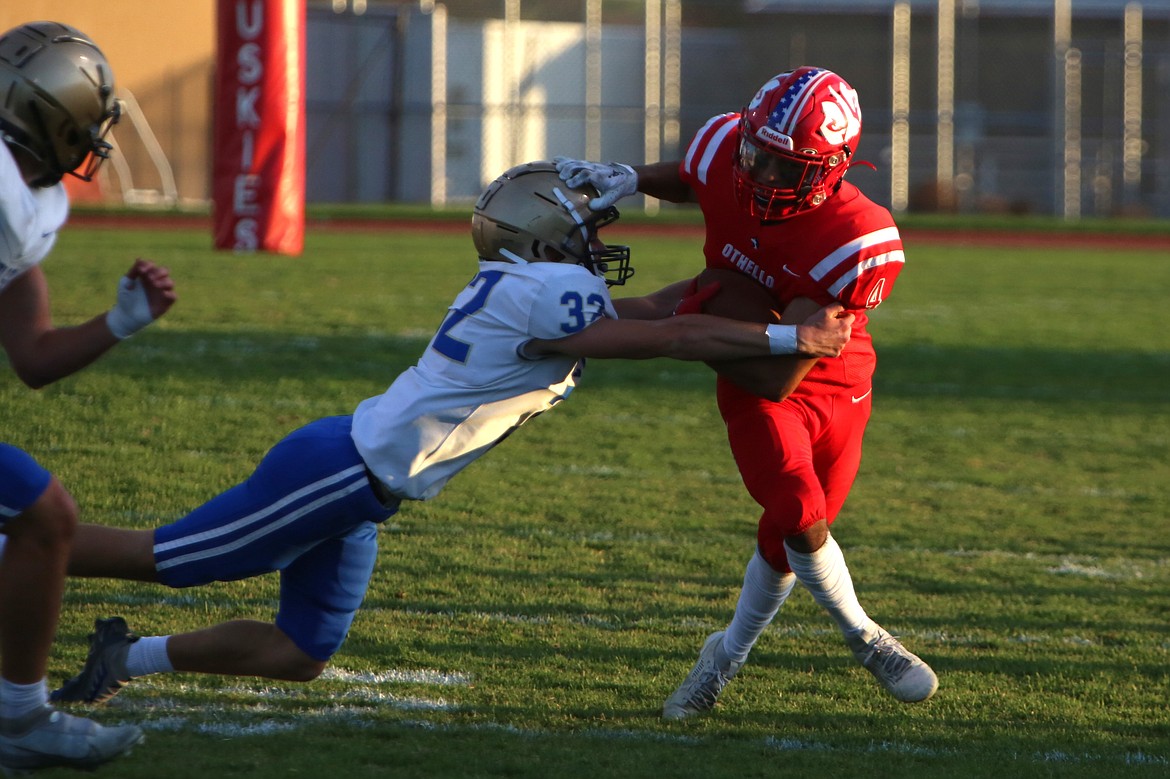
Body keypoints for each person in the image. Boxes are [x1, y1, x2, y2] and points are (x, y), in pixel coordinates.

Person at [48, 161, 852, 704]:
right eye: (585, 229)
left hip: (362, 485)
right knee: (172, 560)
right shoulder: (552, 289)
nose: (597, 242)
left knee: (298, 654)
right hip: (340, 471)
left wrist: (735, 283)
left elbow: (660, 312)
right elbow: (669, 338)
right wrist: (793, 340)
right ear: (544, 239)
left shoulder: (530, 281)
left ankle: (121, 655)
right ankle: (27, 545)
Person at [554, 66, 938, 719]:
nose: (759, 174)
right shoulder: (726, 146)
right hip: (751, 371)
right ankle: (864, 634)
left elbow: (787, 366)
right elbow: (699, 173)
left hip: (831, 375)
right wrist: (636, 177)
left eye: (782, 168)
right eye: (755, 153)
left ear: (829, 170)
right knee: (799, 510)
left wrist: (681, 324)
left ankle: (722, 655)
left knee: (784, 538)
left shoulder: (855, 234)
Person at [0, 20, 177, 772]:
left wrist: (119, 323)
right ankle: (19, 718)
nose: (95, 137)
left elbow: (33, 355)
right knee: (45, 516)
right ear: (53, 112)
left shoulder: (27, 206)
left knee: (35, 530)